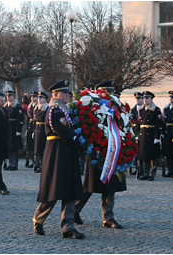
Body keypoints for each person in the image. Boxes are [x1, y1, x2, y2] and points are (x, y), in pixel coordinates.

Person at [32, 80, 84, 239]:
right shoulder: (55, 111)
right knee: (53, 191)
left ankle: (67, 227)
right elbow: (64, 132)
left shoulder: (64, 110)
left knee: (69, 190)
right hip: (56, 154)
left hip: (66, 153)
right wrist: (80, 142)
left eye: (68, 92)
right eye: (65, 92)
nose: (68, 95)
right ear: (55, 94)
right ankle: (38, 218)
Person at [74, 80, 126, 230]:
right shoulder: (93, 106)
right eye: (106, 93)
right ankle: (76, 209)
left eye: (110, 93)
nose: (108, 96)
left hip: (113, 151)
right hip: (98, 151)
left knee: (111, 185)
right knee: (90, 186)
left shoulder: (117, 107)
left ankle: (108, 217)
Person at [137, 91, 163, 181]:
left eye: (147, 98)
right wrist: (137, 134)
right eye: (144, 98)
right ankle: (146, 173)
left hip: (151, 135)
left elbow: (159, 124)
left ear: (151, 99)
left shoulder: (156, 110)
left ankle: (153, 173)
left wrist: (157, 137)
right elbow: (138, 124)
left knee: (152, 156)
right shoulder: (141, 110)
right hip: (143, 134)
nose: (145, 100)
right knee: (145, 155)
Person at [4, 90, 23, 171]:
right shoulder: (6, 106)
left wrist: (18, 129)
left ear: (13, 96)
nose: (8, 97)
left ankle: (14, 164)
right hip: (8, 128)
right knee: (9, 147)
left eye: (10, 96)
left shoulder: (17, 106)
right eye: (7, 96)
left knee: (14, 147)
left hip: (14, 128)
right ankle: (10, 163)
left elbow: (20, 119)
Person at [33, 91, 49, 173]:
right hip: (37, 129)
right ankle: (37, 164)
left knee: (43, 148)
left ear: (45, 99)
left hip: (43, 130)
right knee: (37, 149)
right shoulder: (36, 108)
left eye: (41, 98)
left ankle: (43, 165)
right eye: (38, 98)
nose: (39, 99)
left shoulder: (47, 108)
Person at [130, 92, 144, 176]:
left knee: (142, 152)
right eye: (136, 99)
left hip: (141, 132)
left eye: (139, 98)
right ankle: (136, 167)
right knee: (135, 152)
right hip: (134, 132)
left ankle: (142, 168)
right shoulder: (133, 109)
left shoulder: (143, 109)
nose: (137, 100)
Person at [26, 91, 38, 168]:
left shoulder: (38, 106)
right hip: (30, 126)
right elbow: (28, 118)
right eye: (32, 97)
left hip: (36, 126)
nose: (33, 98)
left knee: (35, 145)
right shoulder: (30, 106)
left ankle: (36, 161)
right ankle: (32, 160)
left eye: (34, 96)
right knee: (30, 144)